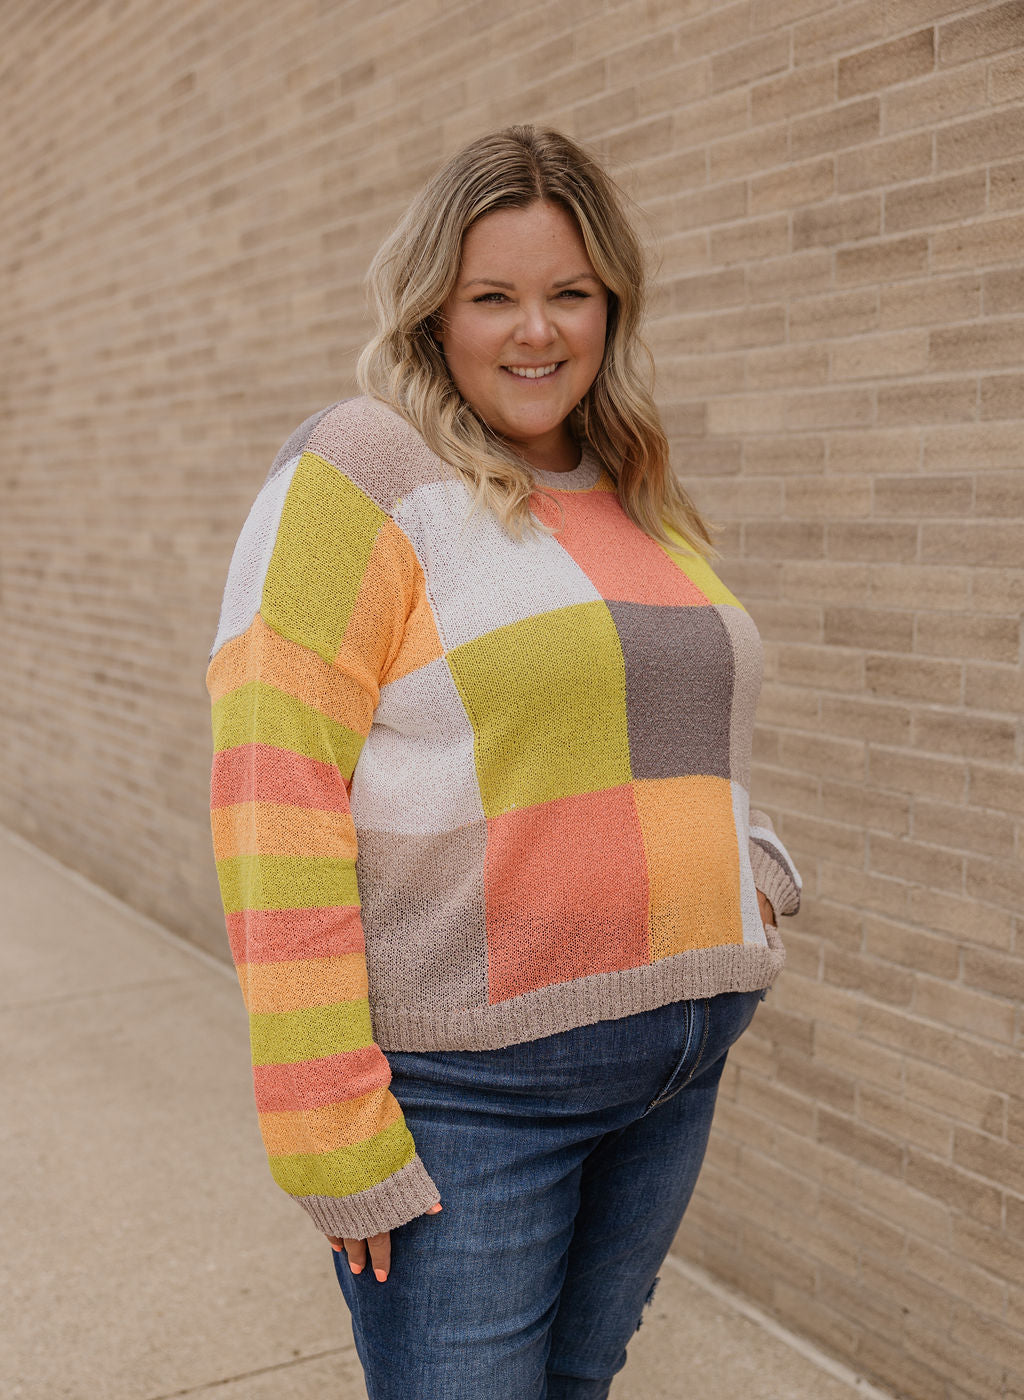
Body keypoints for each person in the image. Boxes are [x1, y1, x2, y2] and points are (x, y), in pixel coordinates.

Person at [205, 124, 801, 1400]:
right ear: (433, 309)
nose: (537, 331)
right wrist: (324, 1124)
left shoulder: (630, 481)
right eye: (493, 297)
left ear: (610, 306)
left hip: (674, 1064)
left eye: (569, 293)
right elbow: (273, 790)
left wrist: (744, 862)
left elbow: (678, 712)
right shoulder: (363, 468)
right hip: (475, 1094)